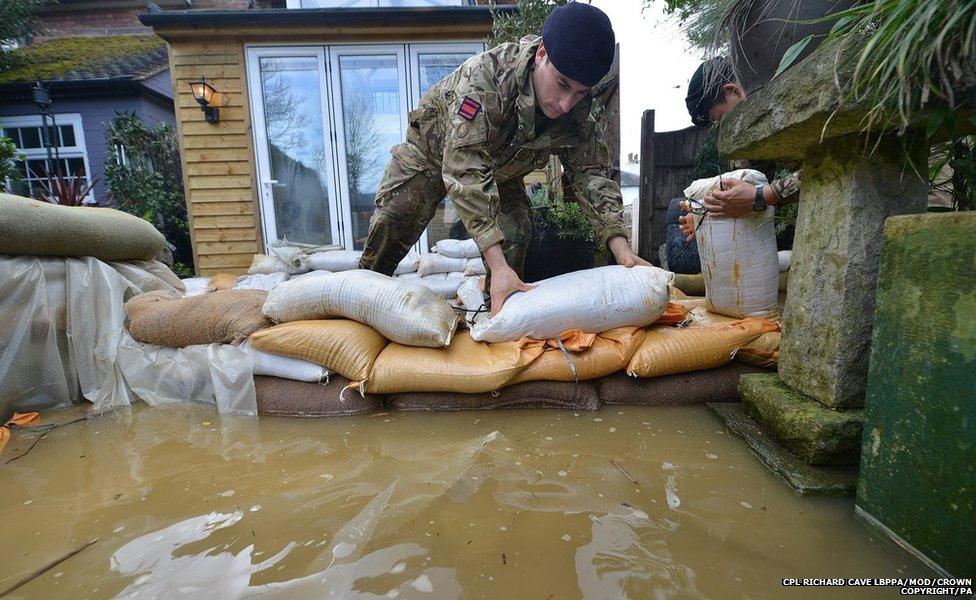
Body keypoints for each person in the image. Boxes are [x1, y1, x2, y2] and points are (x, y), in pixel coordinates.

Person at [358, 2, 648, 313]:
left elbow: (591, 174)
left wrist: (621, 247)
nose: (566, 104)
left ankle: (495, 315)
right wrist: (494, 262)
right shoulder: (484, 81)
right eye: (562, 84)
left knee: (514, 233)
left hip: (500, 169)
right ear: (541, 55)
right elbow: (465, 166)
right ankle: (360, 303)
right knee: (394, 219)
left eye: (580, 92)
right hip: (431, 154)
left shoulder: (577, 113)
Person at [678, 57, 802, 240]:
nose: (724, 127)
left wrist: (765, 195)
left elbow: (826, 166)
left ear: (732, 90)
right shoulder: (756, 136)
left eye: (721, 118)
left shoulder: (787, 102)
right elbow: (748, 190)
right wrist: (704, 214)